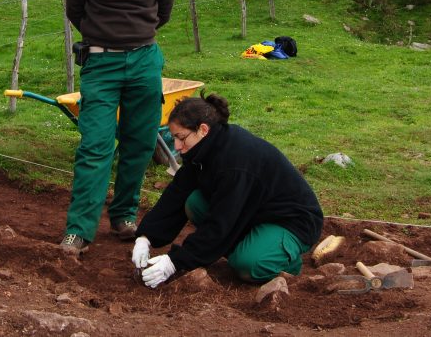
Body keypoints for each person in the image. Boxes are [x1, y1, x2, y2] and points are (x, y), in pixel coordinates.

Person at [59, 0, 176, 256]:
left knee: (140, 143)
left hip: (144, 61)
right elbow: (75, 10)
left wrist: (134, 39)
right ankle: (79, 230)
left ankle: (124, 215)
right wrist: (106, 39)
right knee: (95, 145)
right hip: (101, 64)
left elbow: (164, 12)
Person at [132, 93, 323, 288]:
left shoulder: (235, 164)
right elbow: (177, 192)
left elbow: (221, 221)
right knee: (193, 201)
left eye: (181, 138)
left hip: (291, 221)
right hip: (252, 212)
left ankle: (285, 261)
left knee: (248, 265)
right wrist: (146, 236)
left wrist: (175, 261)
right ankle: (251, 245)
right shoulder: (203, 149)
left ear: (203, 130)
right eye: (174, 138)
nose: (177, 146)